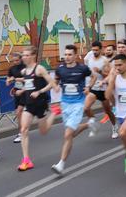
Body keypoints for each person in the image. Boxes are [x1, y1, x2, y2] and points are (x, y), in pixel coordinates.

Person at [51, 45, 98, 175]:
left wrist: (89, 87)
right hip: (65, 104)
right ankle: (89, 124)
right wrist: (55, 86)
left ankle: (61, 164)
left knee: (67, 135)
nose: (67, 57)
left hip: (78, 103)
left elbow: (94, 76)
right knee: (71, 134)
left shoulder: (82, 68)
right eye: (65, 54)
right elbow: (56, 80)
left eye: (70, 54)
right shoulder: (60, 69)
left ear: (75, 55)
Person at [16, 46, 58, 171]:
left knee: (43, 132)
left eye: (27, 55)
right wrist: (22, 90)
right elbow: (30, 86)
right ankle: (26, 160)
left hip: (40, 104)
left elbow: (52, 83)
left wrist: (39, 92)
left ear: (33, 56)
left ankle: (54, 112)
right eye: (23, 55)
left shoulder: (39, 69)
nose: (24, 57)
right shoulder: (24, 72)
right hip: (29, 105)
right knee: (23, 130)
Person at [84, 41, 118, 138]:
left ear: (101, 50)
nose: (94, 52)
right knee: (86, 108)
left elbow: (109, 75)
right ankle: (93, 122)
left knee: (108, 110)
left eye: (96, 50)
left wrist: (99, 71)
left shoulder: (105, 61)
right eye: (93, 50)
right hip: (93, 88)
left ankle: (114, 126)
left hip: (103, 89)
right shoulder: (89, 59)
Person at [6, 52, 26, 143]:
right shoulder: (12, 69)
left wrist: (14, 79)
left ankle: (21, 133)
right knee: (18, 113)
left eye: (17, 60)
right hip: (17, 92)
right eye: (13, 61)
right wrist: (8, 81)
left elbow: (26, 79)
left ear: (21, 59)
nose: (15, 62)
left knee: (19, 112)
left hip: (26, 91)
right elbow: (8, 79)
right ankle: (22, 131)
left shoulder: (25, 67)